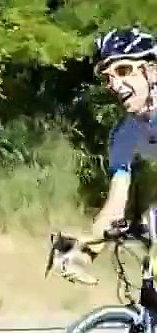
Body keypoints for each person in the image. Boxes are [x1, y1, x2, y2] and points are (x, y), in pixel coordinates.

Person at [52, 27, 157, 284]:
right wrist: (83, 254)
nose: (115, 84)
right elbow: (115, 205)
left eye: (123, 71)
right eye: (108, 77)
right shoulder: (124, 135)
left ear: (152, 71)